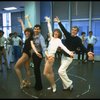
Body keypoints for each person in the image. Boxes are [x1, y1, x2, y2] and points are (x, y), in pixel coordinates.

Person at [54, 16, 94, 91]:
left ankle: (69, 83)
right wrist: (58, 21)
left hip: (69, 57)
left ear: (77, 32)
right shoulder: (68, 35)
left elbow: (82, 47)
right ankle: (65, 86)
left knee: (60, 71)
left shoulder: (78, 40)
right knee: (64, 71)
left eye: (75, 30)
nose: (73, 31)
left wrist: (88, 52)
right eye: (72, 29)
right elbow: (63, 29)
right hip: (63, 55)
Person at [43, 16, 74, 93]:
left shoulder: (58, 41)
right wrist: (48, 22)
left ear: (59, 34)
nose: (55, 33)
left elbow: (64, 47)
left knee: (45, 73)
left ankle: (54, 85)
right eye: (55, 32)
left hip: (51, 57)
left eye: (57, 33)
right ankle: (52, 85)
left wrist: (70, 52)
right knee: (50, 72)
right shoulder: (51, 38)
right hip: (46, 56)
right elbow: (49, 29)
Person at [25, 15, 47, 91]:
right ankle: (37, 84)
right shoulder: (32, 34)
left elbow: (44, 47)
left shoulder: (41, 37)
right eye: (35, 29)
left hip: (39, 54)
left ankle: (39, 86)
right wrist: (27, 18)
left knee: (36, 69)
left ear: (40, 30)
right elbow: (30, 26)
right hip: (33, 54)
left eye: (38, 29)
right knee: (35, 69)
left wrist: (46, 55)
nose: (36, 30)